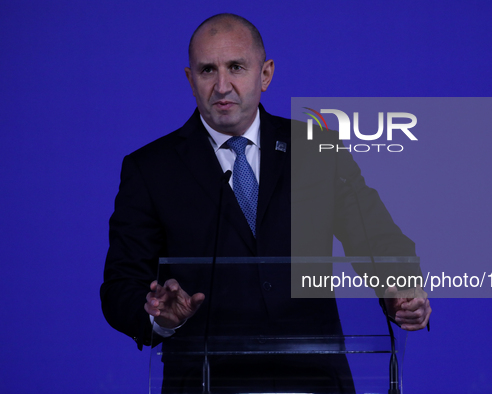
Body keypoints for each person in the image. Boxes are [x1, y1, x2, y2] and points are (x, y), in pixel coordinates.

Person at [101, 13, 431, 393]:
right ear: (190, 80)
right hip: (205, 383)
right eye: (208, 70)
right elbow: (120, 286)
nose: (222, 86)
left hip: (315, 381)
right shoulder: (150, 169)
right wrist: (161, 317)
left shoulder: (317, 149)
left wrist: (401, 289)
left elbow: (378, 239)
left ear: (265, 73)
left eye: (236, 67)